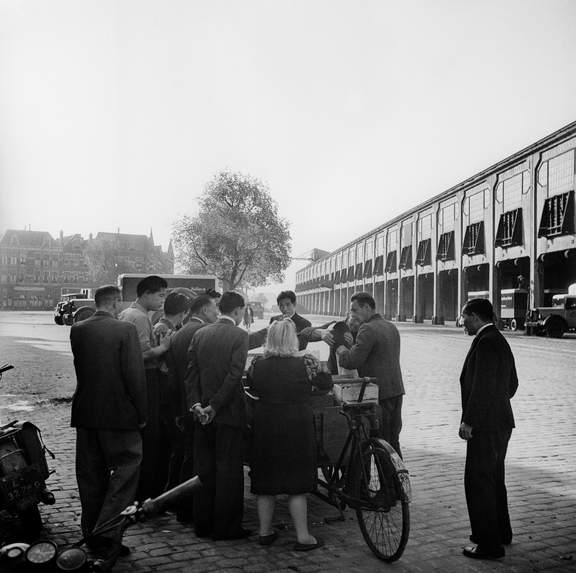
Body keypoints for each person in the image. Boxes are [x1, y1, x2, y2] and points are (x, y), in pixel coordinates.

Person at [70, 285, 146, 570]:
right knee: (126, 470)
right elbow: (135, 376)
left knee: (90, 476)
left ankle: (91, 533)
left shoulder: (78, 330)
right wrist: (142, 412)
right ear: (114, 303)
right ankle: (108, 531)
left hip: (86, 413)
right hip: (119, 414)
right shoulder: (124, 331)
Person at [248, 319, 332, 550]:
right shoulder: (307, 361)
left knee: (266, 478)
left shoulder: (257, 363)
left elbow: (253, 387)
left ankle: (265, 532)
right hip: (297, 422)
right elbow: (325, 385)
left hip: (266, 422)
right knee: (297, 480)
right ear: (293, 338)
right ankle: (303, 536)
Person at [185, 291, 251, 540]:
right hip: (228, 413)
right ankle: (227, 527)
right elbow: (234, 376)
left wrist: (196, 405)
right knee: (229, 471)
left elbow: (190, 375)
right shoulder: (239, 335)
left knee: (204, 470)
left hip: (201, 414)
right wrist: (215, 406)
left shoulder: (200, 333)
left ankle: (202, 524)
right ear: (238, 311)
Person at [459, 298, 518, 560]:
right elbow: (512, 384)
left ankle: (488, 544)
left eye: (464, 317)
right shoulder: (498, 339)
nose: (462, 323)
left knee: (478, 481)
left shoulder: (485, 342)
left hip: (485, 424)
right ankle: (500, 532)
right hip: (501, 421)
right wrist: (499, 402)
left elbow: (481, 387)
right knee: (494, 478)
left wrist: (469, 421)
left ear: (474, 316)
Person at [164, 292, 220, 523]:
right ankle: (186, 507)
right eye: (214, 309)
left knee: (182, 454)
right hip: (195, 405)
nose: (217, 313)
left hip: (180, 404)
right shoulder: (199, 333)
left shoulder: (179, 333)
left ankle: (175, 502)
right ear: (205, 310)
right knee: (192, 457)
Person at [119, 275, 170, 500]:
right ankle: (145, 494)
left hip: (132, 385)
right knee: (150, 440)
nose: (162, 301)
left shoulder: (127, 313)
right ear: (146, 293)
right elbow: (140, 356)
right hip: (145, 382)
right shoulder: (139, 317)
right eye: (160, 295)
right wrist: (164, 347)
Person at [335, 292, 405, 456]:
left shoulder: (367, 328)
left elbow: (352, 361)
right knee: (393, 441)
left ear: (367, 307)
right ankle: (399, 479)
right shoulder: (390, 326)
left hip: (378, 394)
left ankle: (387, 479)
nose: (352, 314)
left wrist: (341, 349)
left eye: (354, 309)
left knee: (380, 442)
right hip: (396, 390)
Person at [153, 291, 192, 496]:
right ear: (184, 312)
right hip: (167, 396)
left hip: (167, 394)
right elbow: (164, 366)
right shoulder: (164, 329)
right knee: (175, 448)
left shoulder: (169, 327)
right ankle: (169, 492)